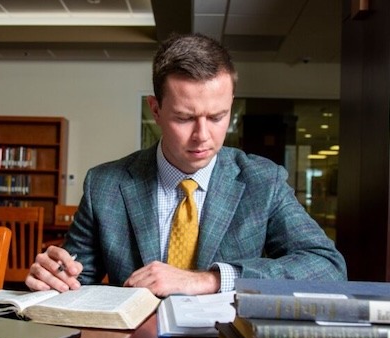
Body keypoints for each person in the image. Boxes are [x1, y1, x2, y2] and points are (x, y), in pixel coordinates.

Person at [26, 33, 347, 296]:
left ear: (231, 106)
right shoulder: (104, 184)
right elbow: (78, 278)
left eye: (218, 117)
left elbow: (328, 268)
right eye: (184, 118)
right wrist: (56, 277)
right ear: (156, 110)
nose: (203, 136)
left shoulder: (264, 181)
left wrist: (210, 279)